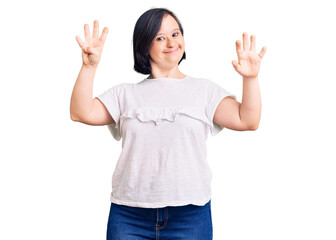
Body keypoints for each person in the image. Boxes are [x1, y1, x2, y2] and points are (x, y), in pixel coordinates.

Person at [70, 7, 266, 240]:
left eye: (175, 34)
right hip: (129, 215)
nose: (171, 42)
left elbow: (248, 120)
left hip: (190, 215)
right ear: (144, 46)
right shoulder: (125, 94)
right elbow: (80, 113)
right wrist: (89, 67)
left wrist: (250, 78)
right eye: (160, 37)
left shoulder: (203, 90)